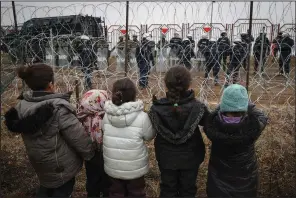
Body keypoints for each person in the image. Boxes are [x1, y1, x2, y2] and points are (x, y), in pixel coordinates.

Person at [4, 64, 95, 197]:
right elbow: (78, 137)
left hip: (40, 163)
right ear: (51, 84)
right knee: (62, 190)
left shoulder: (21, 105)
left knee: (47, 185)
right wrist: (91, 155)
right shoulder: (58, 108)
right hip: (62, 166)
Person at [149, 66, 209, 197]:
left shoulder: (156, 109)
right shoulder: (197, 107)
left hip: (166, 158)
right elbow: (209, 126)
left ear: (166, 84)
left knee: (167, 189)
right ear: (188, 84)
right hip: (191, 157)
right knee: (188, 189)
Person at [204, 84, 268, 197]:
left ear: (223, 105)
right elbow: (262, 116)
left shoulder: (213, 125)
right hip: (246, 184)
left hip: (218, 184)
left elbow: (212, 115)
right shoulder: (252, 126)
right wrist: (247, 105)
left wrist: (220, 106)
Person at [102, 78, 155, 197]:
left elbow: (103, 130)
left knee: (116, 192)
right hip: (135, 169)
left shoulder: (106, 115)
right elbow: (149, 136)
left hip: (113, 167)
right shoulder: (142, 117)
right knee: (136, 193)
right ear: (134, 95)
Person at [77, 90, 110, 197]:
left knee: (92, 179)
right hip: (107, 155)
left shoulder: (81, 117)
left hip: (89, 154)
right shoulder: (108, 117)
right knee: (107, 181)